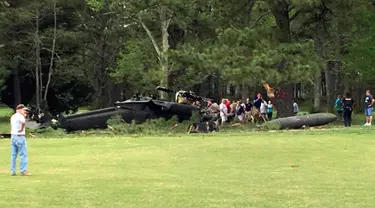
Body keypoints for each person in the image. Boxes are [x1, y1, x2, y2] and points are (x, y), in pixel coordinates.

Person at [10, 104, 31, 176]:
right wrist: (21, 129)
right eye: (23, 110)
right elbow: (23, 122)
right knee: (23, 154)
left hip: (13, 136)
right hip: (20, 136)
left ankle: (13, 171)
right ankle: (23, 171)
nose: (24, 111)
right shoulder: (20, 116)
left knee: (13, 155)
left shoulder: (13, 116)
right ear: (19, 110)